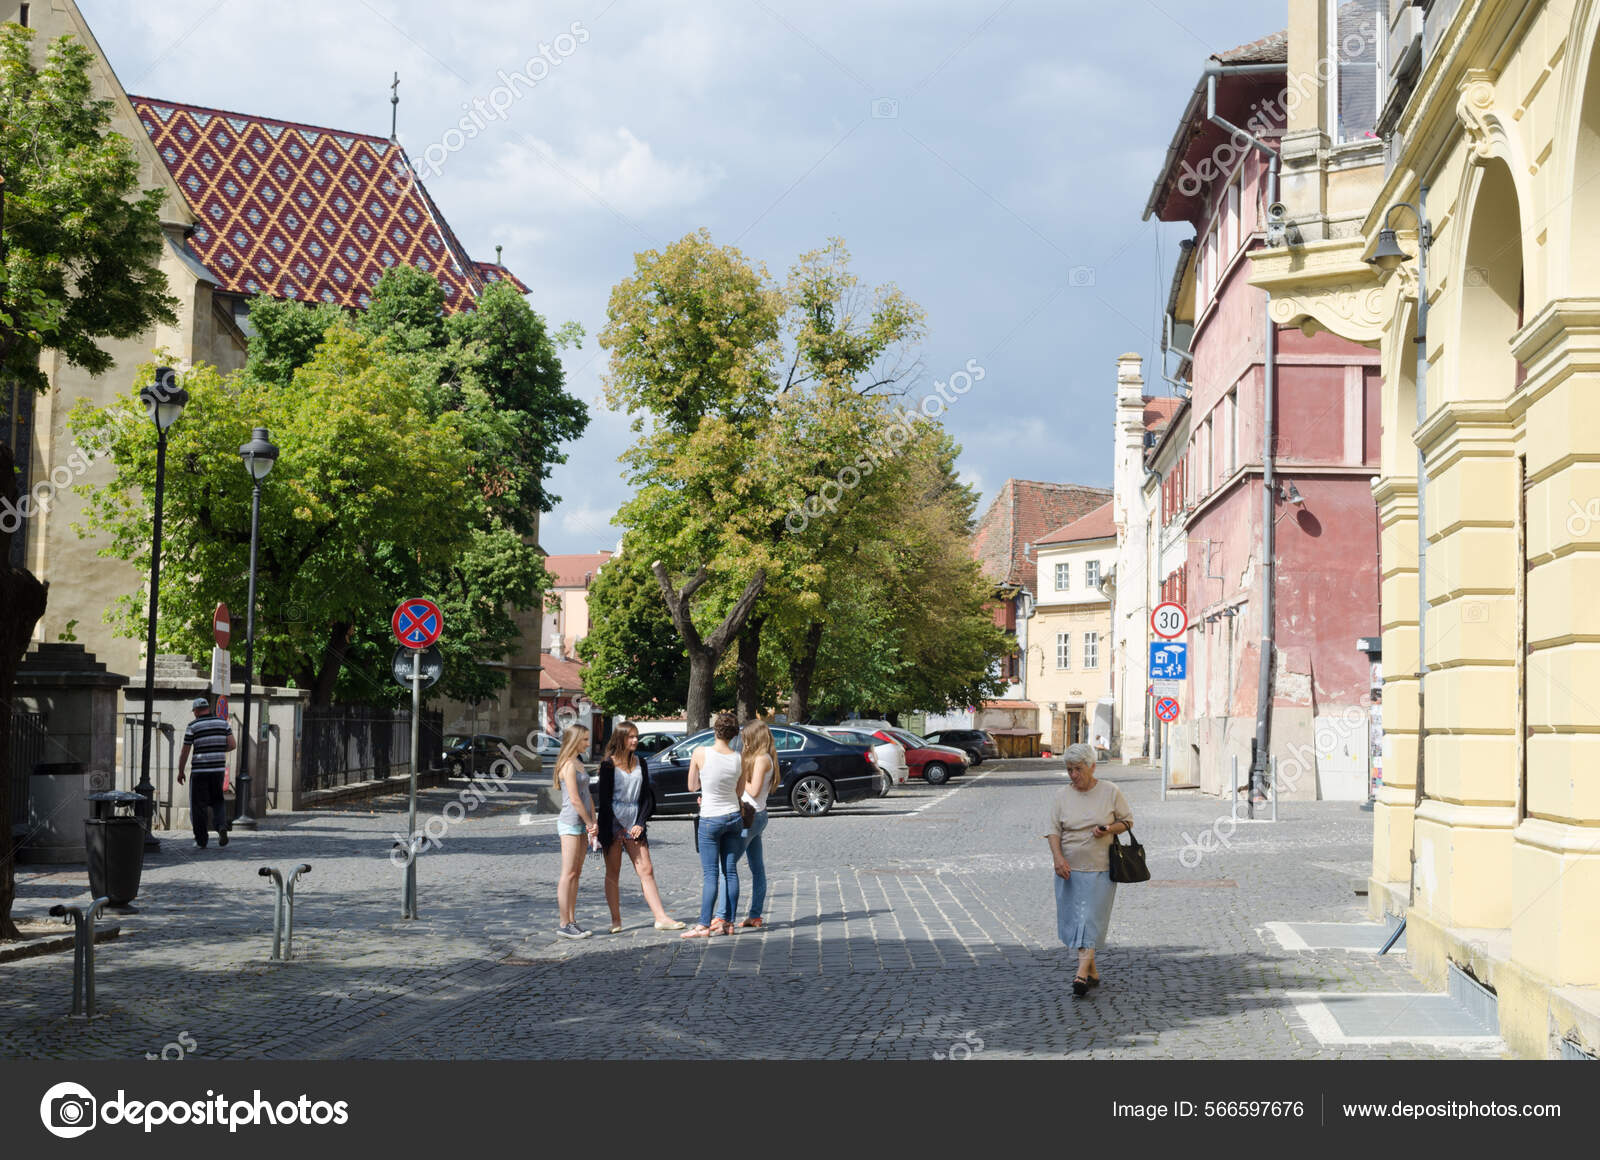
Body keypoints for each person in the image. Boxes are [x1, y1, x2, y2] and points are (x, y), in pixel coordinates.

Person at [1044, 741, 1133, 996]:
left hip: (1100, 868)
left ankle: (1080, 976)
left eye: (1078, 769)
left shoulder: (1110, 791)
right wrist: (1057, 858)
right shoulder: (1061, 796)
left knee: (1089, 921)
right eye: (1069, 769)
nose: (1073, 775)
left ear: (1092, 767)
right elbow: (1053, 831)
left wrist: (1107, 829)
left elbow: (1127, 821)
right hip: (1069, 869)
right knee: (1075, 923)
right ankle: (1092, 972)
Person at [595, 722, 685, 932]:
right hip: (613, 824)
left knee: (647, 870)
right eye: (631, 737)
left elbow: (646, 797)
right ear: (620, 739)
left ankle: (661, 917)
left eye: (636, 736)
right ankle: (616, 920)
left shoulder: (641, 762)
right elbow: (605, 800)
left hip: (635, 819)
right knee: (613, 872)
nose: (635, 740)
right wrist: (615, 828)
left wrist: (640, 823)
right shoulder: (608, 765)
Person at [681, 710, 743, 939]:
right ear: (733, 734)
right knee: (730, 872)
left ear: (715, 730)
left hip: (710, 817)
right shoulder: (738, 758)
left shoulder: (700, 752)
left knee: (710, 875)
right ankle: (729, 922)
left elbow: (691, 785)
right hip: (733, 816)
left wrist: (705, 791)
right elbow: (739, 791)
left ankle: (704, 924)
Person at [733, 718, 780, 930]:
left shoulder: (762, 759)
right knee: (757, 868)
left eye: (746, 739)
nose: (745, 743)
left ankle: (726, 916)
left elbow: (752, 790)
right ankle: (755, 915)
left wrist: (739, 775)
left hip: (752, 817)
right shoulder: (765, 757)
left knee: (729, 864)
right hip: (758, 815)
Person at [553, 725, 597, 939]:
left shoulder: (578, 763)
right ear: (575, 740)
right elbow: (574, 799)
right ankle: (564, 922)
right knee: (568, 873)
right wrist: (589, 822)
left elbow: (587, 794)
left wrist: (593, 820)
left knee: (576, 874)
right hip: (571, 823)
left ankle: (572, 920)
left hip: (582, 823)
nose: (588, 743)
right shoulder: (568, 765)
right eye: (585, 739)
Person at [176, 696, 235, 849]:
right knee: (218, 800)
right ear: (209, 708)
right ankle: (221, 826)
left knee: (198, 806)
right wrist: (218, 750)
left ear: (196, 711)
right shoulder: (223, 723)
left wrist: (181, 771)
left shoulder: (193, 726)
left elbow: (185, 751)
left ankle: (201, 840)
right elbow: (232, 745)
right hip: (217, 770)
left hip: (200, 771)